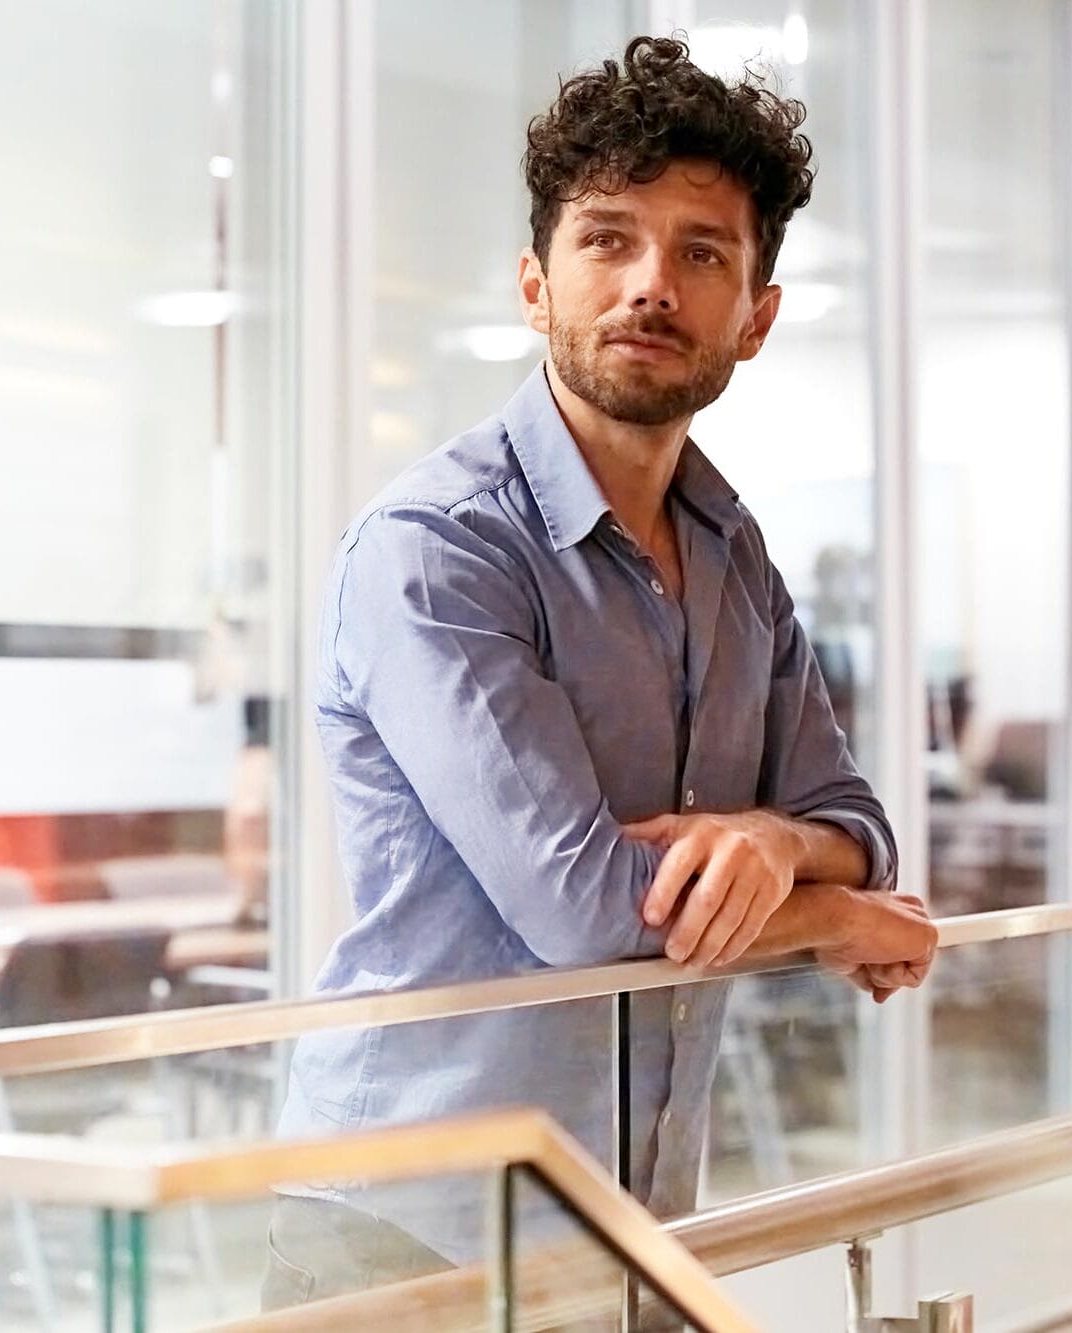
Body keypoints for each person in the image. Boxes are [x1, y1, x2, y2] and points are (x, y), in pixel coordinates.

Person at [264, 35, 937, 1311]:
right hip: (412, 1229)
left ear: (757, 314)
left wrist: (776, 846)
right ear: (537, 284)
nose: (651, 286)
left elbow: (859, 823)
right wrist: (836, 915)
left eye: (701, 253)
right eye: (608, 240)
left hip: (633, 1218)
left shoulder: (735, 558)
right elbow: (578, 906)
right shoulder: (437, 552)